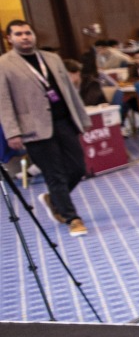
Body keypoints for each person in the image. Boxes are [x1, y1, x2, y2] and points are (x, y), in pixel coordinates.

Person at [0, 20, 91, 237]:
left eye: (28, 33)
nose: (25, 37)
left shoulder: (52, 58)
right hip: (34, 128)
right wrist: (12, 132)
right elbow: (3, 101)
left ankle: (54, 199)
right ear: (10, 38)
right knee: (55, 174)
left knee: (78, 168)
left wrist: (83, 119)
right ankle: (72, 218)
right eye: (19, 34)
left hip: (64, 122)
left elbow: (69, 91)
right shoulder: (4, 64)